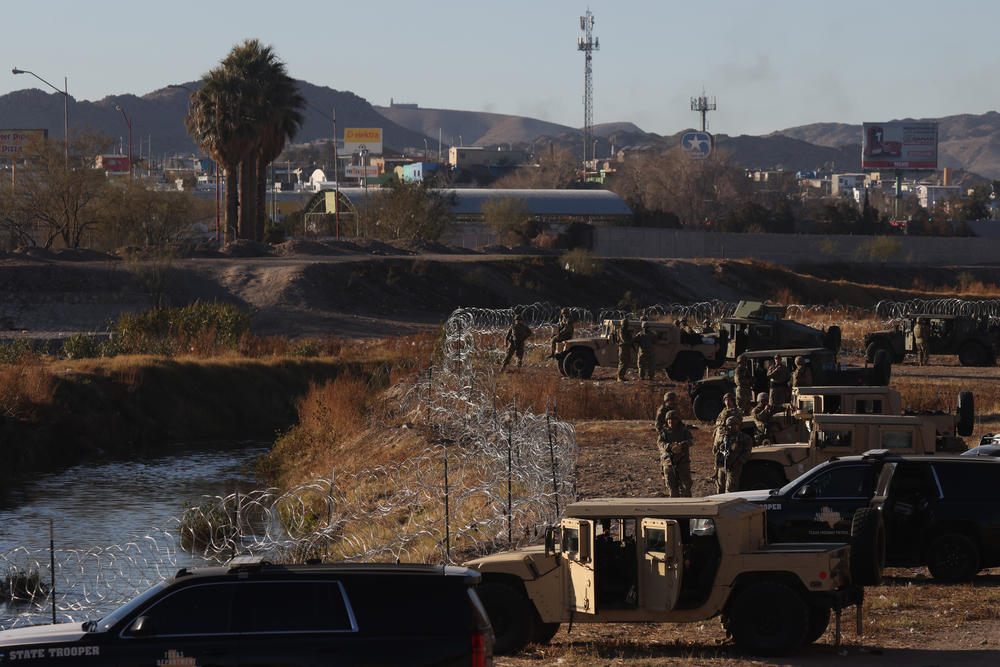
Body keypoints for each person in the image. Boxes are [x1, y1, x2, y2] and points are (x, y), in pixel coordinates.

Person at [656, 410, 693, 497]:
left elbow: (692, 441)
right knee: (672, 489)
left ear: (677, 420)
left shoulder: (684, 430)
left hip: (682, 463)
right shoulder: (664, 432)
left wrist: (682, 445)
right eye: (669, 419)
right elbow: (660, 443)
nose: (671, 421)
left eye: (673, 419)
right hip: (668, 463)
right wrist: (669, 446)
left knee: (686, 488)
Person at [714, 415, 752, 493]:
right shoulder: (724, 437)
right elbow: (716, 450)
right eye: (730, 425)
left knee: (731, 489)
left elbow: (747, 452)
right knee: (720, 488)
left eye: (734, 425)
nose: (732, 427)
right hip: (722, 466)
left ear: (739, 425)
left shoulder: (744, 438)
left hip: (734, 467)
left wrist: (739, 462)